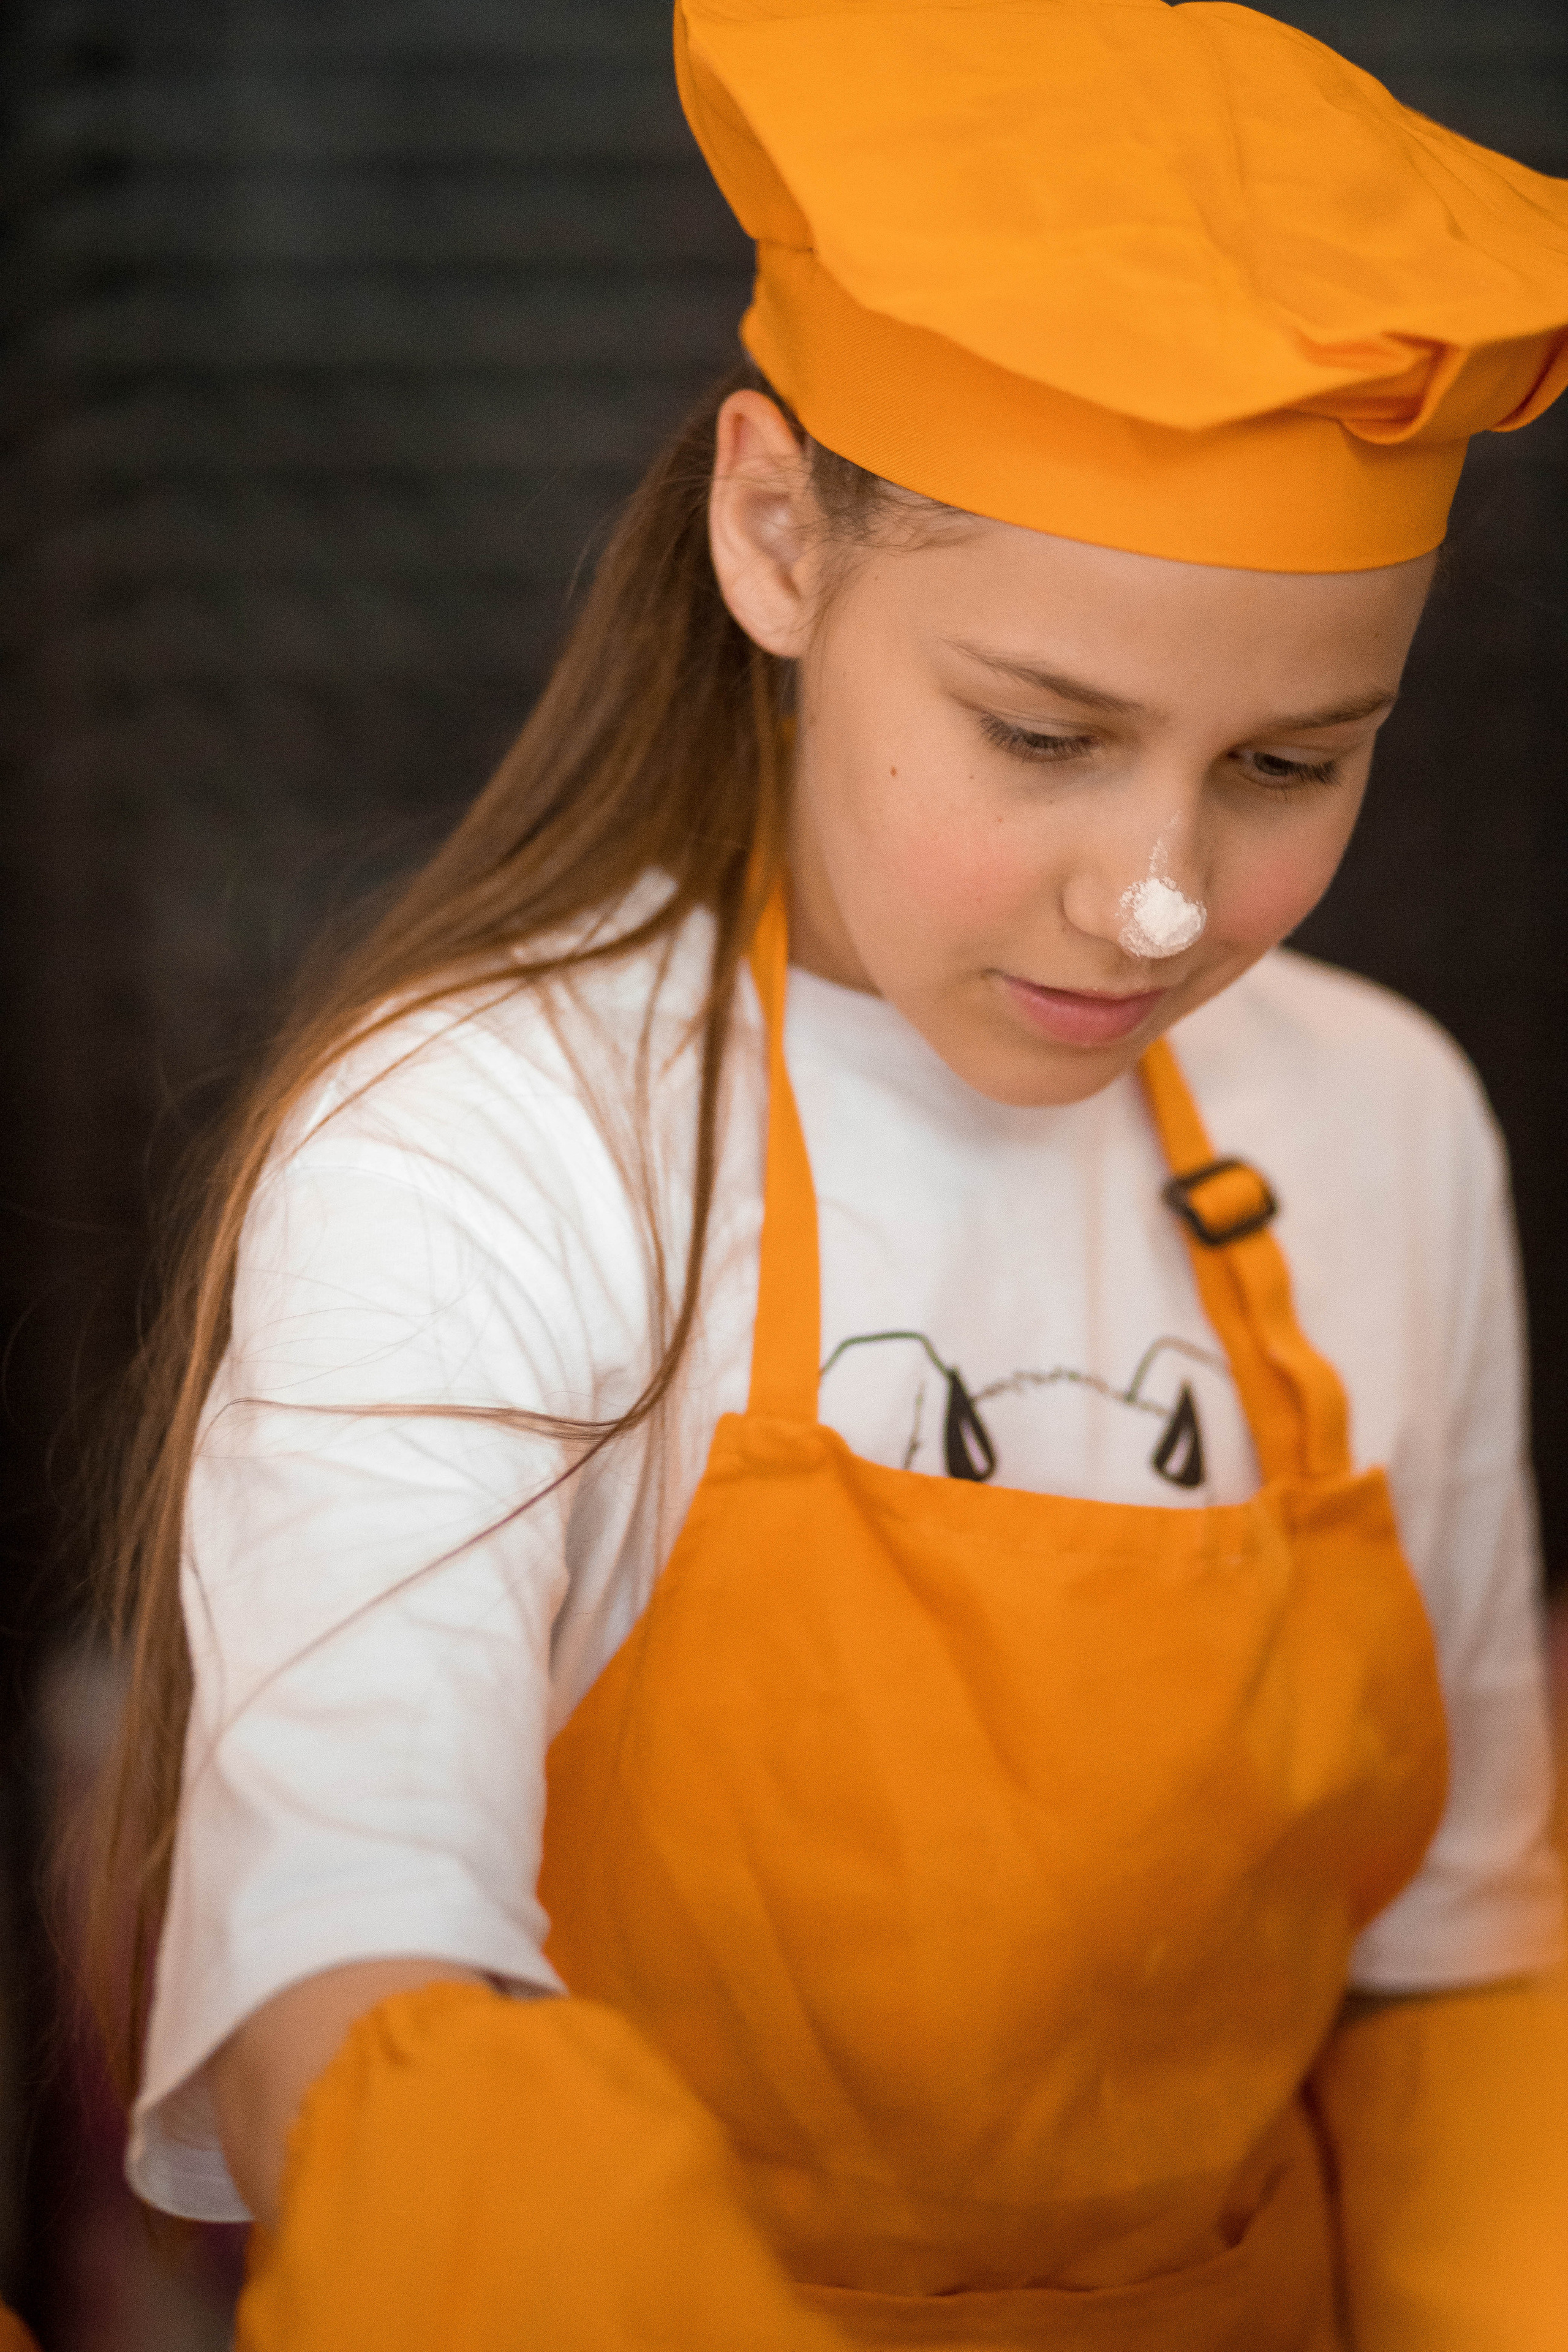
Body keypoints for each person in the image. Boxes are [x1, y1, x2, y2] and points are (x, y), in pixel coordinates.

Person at [66, 2, 1568, 2346]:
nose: (1161, 899)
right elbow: (338, 1995)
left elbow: (1457, 1961)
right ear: (777, 534)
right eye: (1044, 736)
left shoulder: (1384, 1119)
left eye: (1290, 763)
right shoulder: (484, 1144)